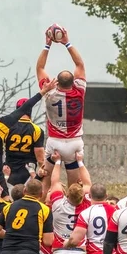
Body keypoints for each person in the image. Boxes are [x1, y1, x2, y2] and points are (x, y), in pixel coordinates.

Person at [36, 26, 86, 191]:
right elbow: (79, 63)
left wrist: (47, 45)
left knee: (46, 182)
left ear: (57, 81)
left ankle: (42, 211)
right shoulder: (79, 90)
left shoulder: (49, 91)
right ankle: (72, 212)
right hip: (74, 143)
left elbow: (40, 69)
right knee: (74, 188)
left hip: (55, 142)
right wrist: (67, 42)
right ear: (73, 81)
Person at [4, 98, 45, 192]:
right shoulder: (37, 130)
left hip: (10, 171)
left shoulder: (7, 128)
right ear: (30, 111)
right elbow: (40, 159)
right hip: (28, 172)